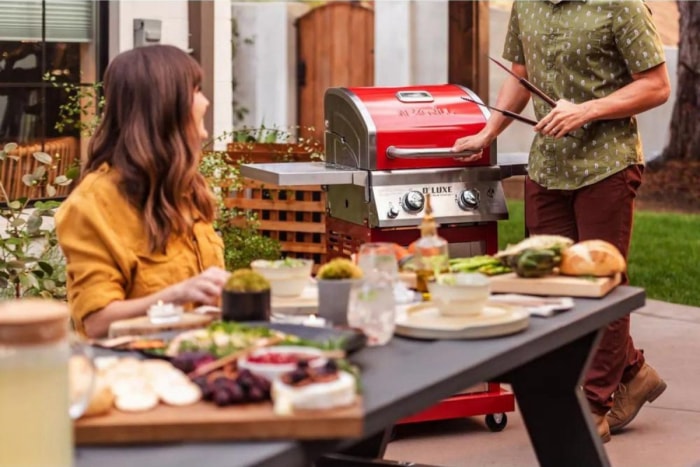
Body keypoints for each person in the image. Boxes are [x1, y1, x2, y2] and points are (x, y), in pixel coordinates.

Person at [452, 0, 671, 442]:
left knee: (600, 284)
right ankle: (632, 370)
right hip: (548, 166)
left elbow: (655, 86)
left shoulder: (621, 6)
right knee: (553, 284)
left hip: (606, 166)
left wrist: (586, 109)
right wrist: (487, 132)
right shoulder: (526, 5)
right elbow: (520, 74)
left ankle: (591, 405)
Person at [56, 45, 229, 339]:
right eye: (196, 90)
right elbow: (97, 321)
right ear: (166, 106)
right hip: (138, 373)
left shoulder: (184, 187)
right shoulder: (92, 204)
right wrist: (177, 294)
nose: (206, 101)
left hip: (203, 359)